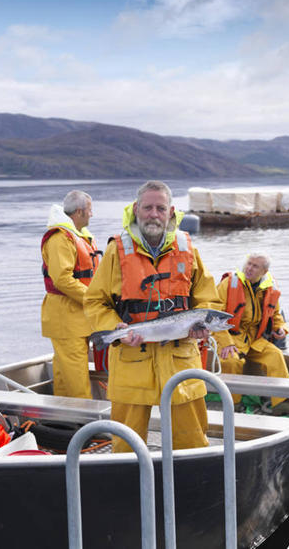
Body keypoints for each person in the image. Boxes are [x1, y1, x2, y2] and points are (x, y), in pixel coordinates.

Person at [84, 180, 222, 453]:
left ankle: (190, 488)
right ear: (137, 209)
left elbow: (207, 299)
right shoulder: (116, 250)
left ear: (171, 212)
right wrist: (116, 329)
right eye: (148, 207)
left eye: (160, 208)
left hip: (180, 361)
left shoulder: (189, 249)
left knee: (191, 443)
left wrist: (202, 328)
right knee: (125, 446)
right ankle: (129, 489)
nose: (154, 214)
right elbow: (94, 301)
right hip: (131, 358)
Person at [212, 253, 289, 416]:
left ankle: (281, 403)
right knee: (231, 361)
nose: (249, 268)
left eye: (255, 266)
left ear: (264, 271)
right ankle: (234, 404)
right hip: (231, 337)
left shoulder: (271, 287)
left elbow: (276, 314)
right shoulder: (229, 283)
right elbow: (214, 315)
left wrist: (280, 328)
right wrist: (226, 342)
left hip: (255, 340)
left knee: (275, 356)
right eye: (248, 264)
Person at [41, 190, 100, 399]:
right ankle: (89, 430)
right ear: (79, 211)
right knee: (76, 379)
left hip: (76, 318)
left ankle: (67, 425)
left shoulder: (76, 236)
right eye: (90, 210)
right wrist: (94, 300)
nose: (91, 215)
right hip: (66, 319)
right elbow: (62, 279)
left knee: (65, 375)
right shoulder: (60, 239)